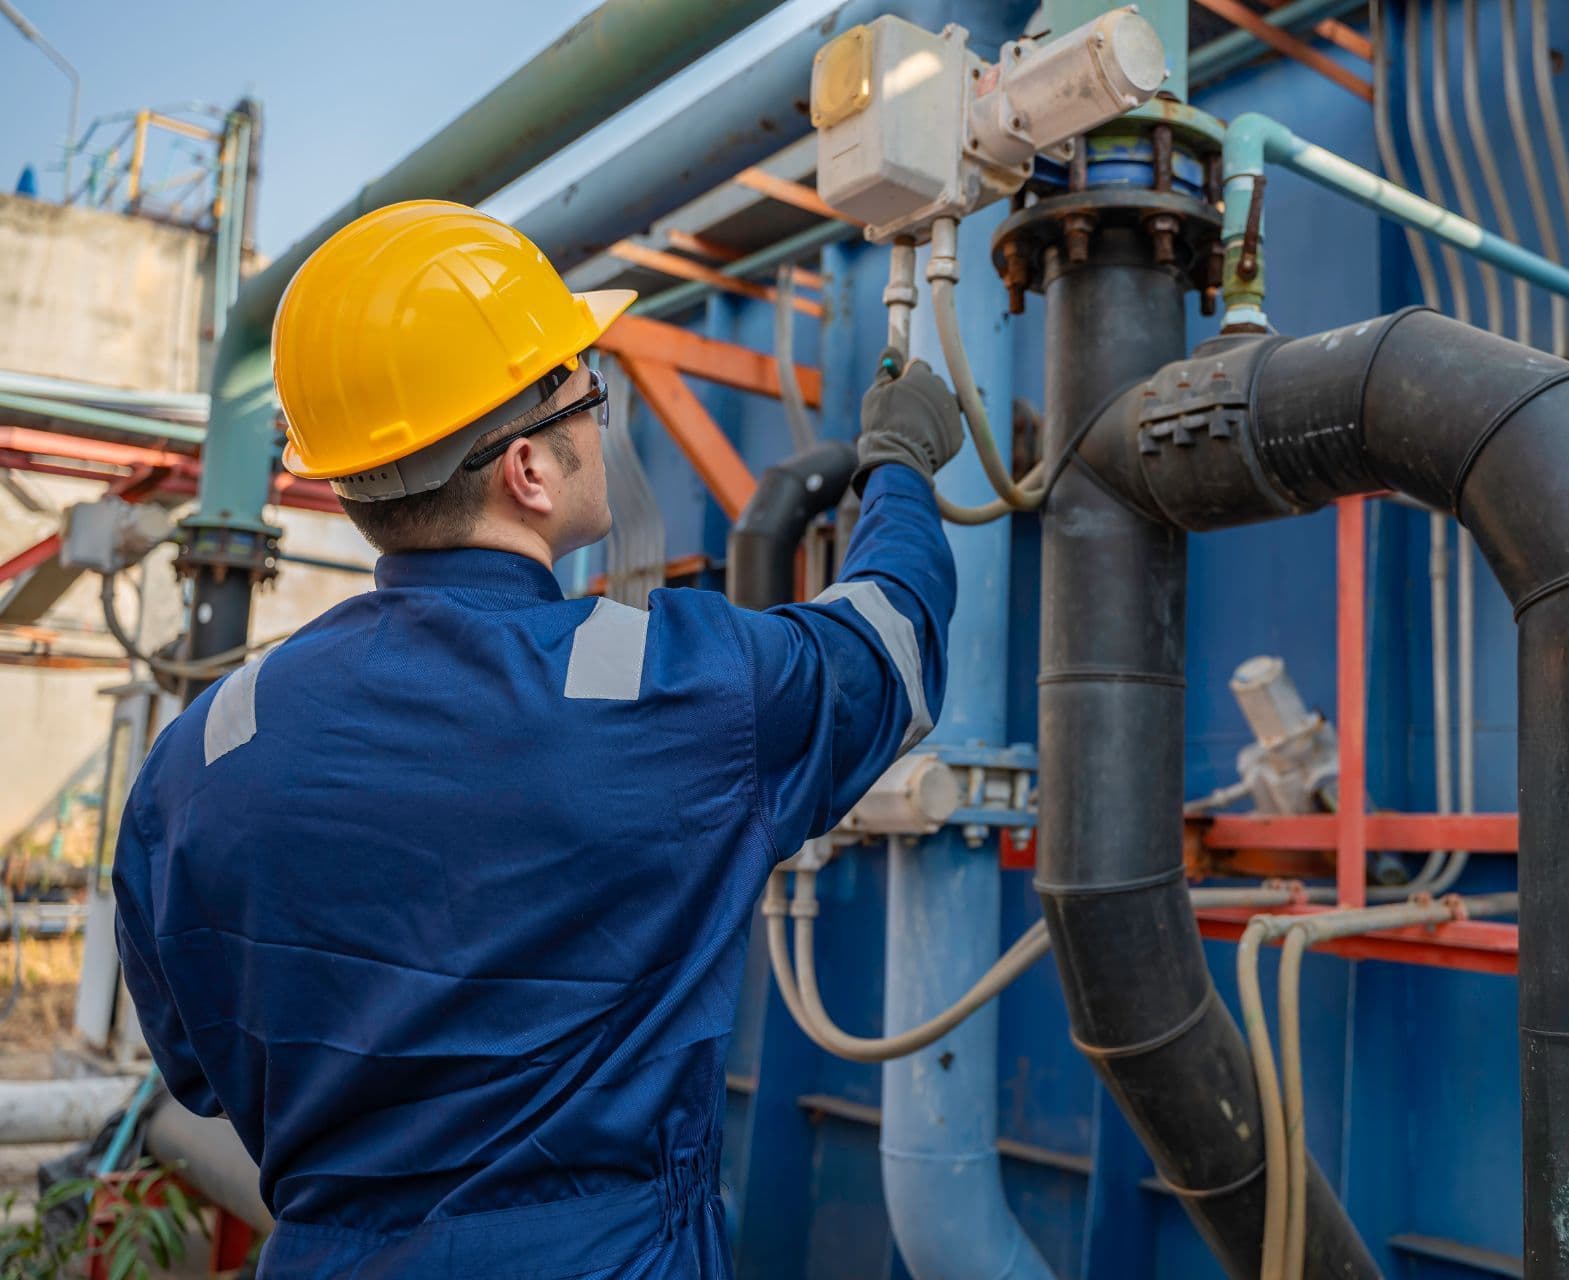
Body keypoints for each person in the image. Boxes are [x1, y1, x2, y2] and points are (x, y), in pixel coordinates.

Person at [111, 200, 964, 1278]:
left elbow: (195, 1068)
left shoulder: (200, 752)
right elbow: (889, 645)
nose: (599, 417)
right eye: (587, 393)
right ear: (528, 469)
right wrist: (900, 465)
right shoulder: (677, 688)